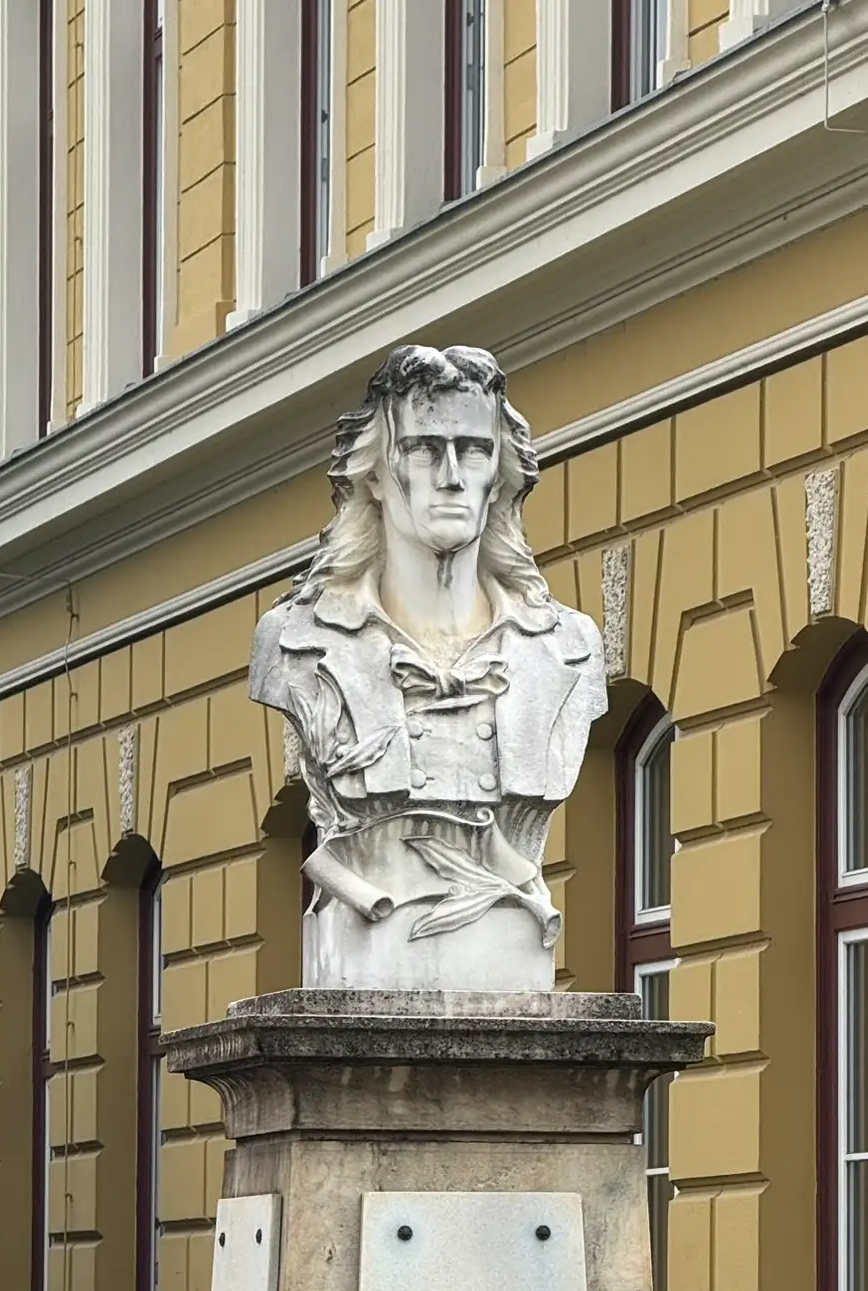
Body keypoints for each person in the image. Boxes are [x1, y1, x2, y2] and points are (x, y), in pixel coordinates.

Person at [250, 344, 607, 990]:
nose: (450, 475)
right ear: (378, 475)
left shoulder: (565, 650)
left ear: (499, 472)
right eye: (423, 448)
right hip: (367, 923)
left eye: (472, 450)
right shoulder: (298, 642)